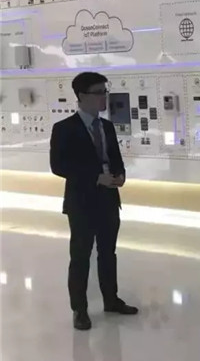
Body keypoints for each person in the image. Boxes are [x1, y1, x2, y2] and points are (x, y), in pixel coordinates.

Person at [50, 72, 138, 331]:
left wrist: (120, 176)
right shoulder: (64, 128)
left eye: (104, 92)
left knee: (108, 253)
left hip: (108, 199)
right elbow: (59, 166)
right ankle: (79, 309)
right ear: (82, 96)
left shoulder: (106, 127)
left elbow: (115, 158)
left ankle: (111, 299)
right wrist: (95, 177)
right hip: (82, 202)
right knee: (80, 256)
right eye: (99, 92)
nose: (104, 97)